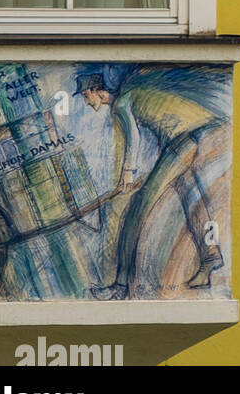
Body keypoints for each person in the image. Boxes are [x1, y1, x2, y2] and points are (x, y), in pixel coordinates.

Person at [78, 67, 229, 298]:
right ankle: (210, 257)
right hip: (204, 133)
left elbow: (134, 139)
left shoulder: (121, 104)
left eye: (85, 96)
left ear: (95, 90)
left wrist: (127, 174)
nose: (87, 103)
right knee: (189, 195)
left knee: (136, 211)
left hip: (184, 140)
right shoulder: (136, 97)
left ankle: (120, 287)